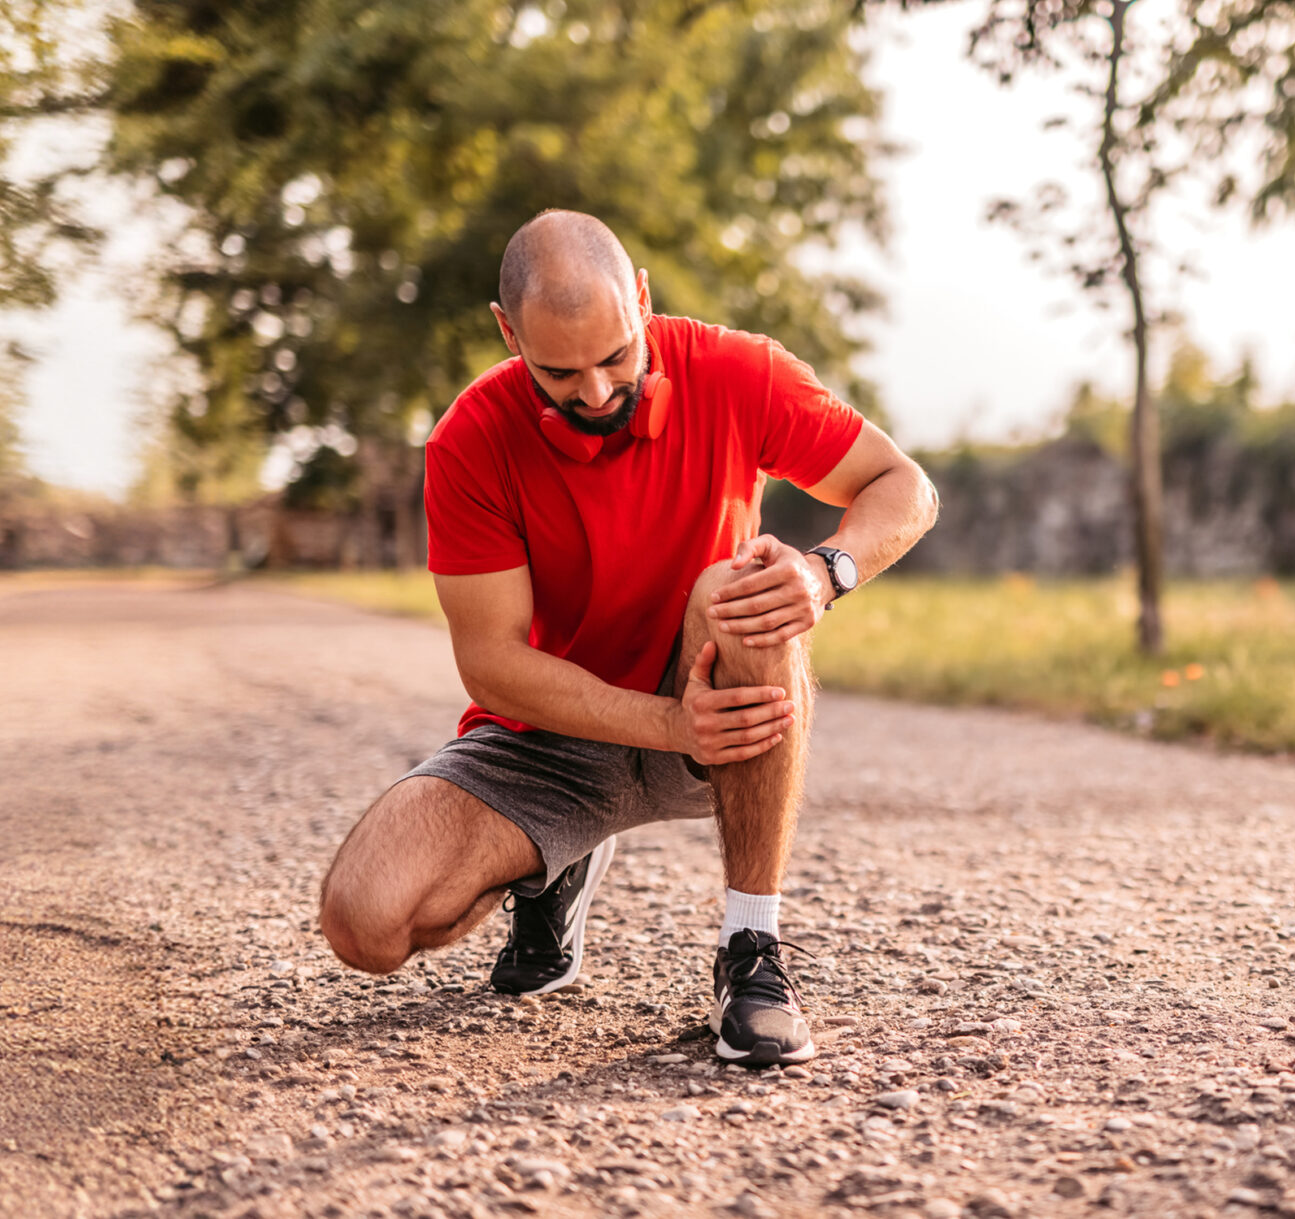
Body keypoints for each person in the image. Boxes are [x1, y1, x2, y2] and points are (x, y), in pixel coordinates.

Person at [316, 210, 938, 1067]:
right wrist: (660, 726)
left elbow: (903, 484)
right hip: (555, 739)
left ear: (641, 298)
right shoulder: (469, 440)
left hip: (714, 704)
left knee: (743, 587)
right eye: (559, 371)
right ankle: (548, 871)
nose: (598, 393)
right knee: (367, 922)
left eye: (617, 356)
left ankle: (752, 951)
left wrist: (825, 571)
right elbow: (493, 664)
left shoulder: (738, 370)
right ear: (507, 334)